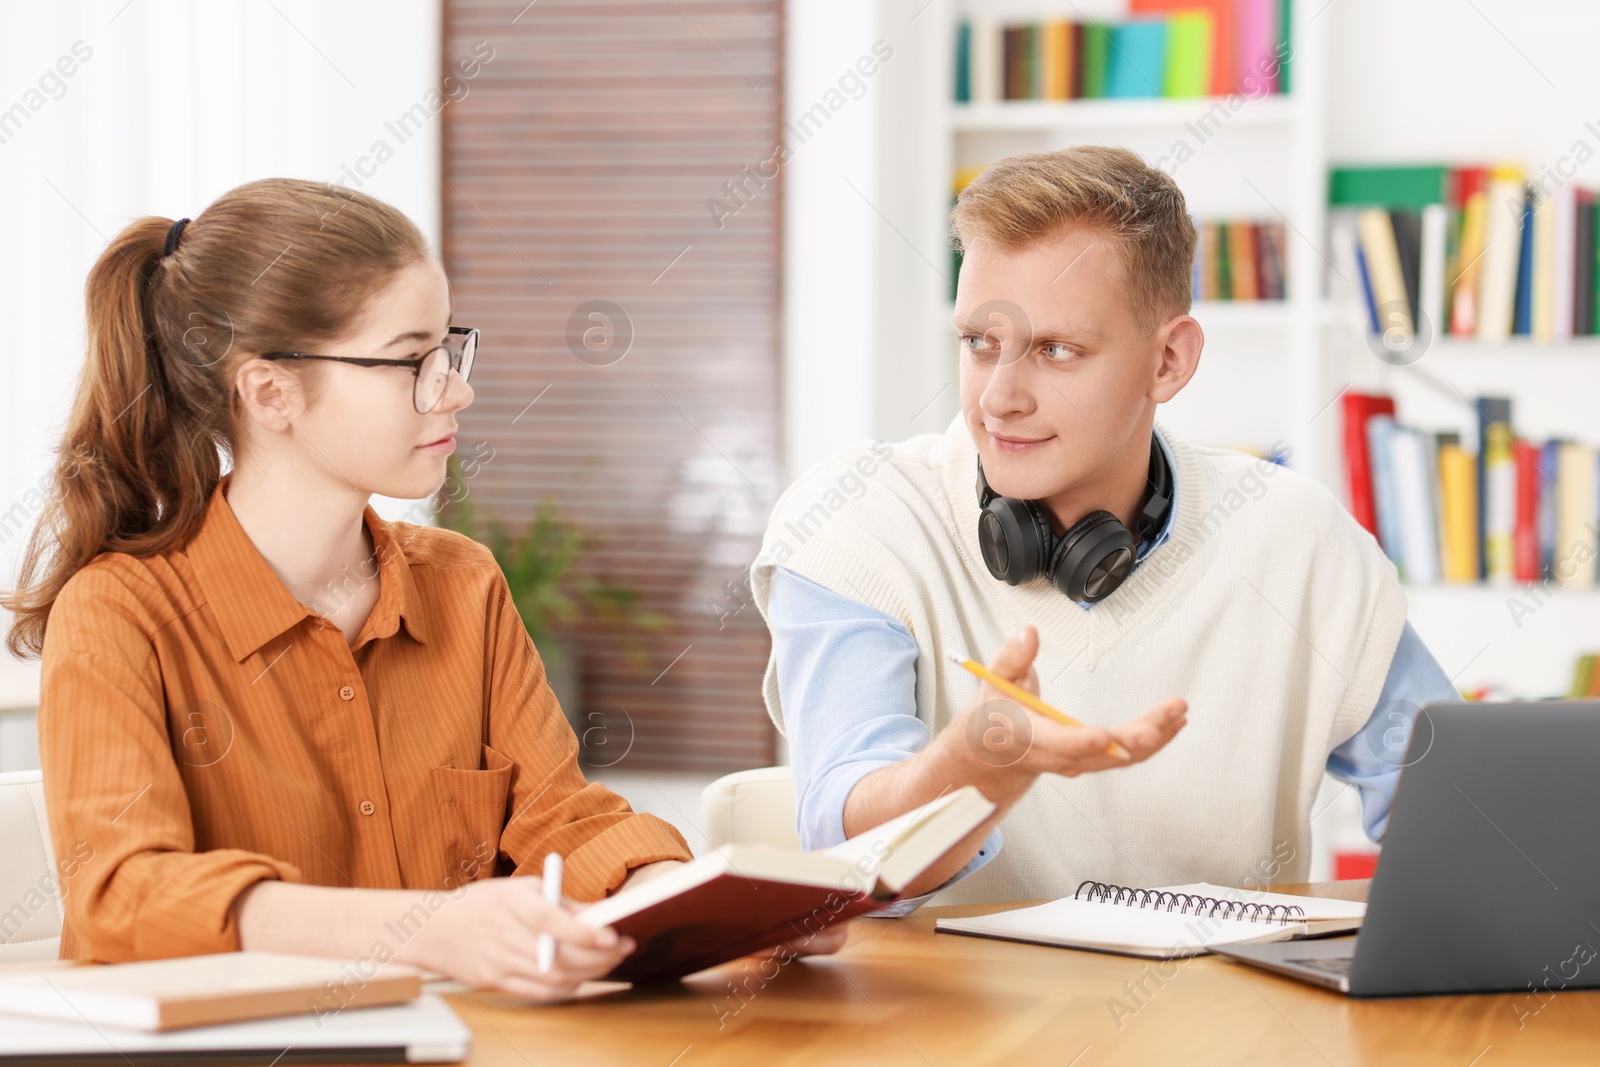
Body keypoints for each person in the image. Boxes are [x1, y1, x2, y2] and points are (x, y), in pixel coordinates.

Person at [4, 178, 839, 999]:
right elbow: (126, 895)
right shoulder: (118, 613)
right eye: (411, 360)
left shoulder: (461, 583)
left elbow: (563, 821)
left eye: (449, 348)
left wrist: (703, 905)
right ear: (270, 392)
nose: (456, 388)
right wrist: (429, 926)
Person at [749, 146, 1458, 910]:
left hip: (1229, 1019)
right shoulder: (858, 524)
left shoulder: (1297, 538)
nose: (999, 398)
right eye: (979, 344)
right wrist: (977, 768)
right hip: (947, 1024)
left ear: (1168, 362)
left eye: (1056, 350)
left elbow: (1463, 816)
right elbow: (851, 858)